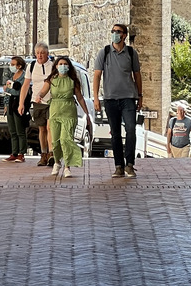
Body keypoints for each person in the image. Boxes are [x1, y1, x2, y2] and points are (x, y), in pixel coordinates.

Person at [92, 23, 142, 179]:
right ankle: (118, 166)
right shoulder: (104, 52)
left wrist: (140, 96)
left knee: (131, 130)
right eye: (113, 31)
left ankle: (130, 164)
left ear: (124, 35)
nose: (115, 34)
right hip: (110, 99)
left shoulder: (132, 53)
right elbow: (97, 75)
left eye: (118, 32)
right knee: (114, 133)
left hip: (128, 97)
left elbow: (137, 75)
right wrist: (96, 97)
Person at [39, 55, 90, 178]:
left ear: (69, 67)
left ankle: (67, 166)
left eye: (65, 64)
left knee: (66, 140)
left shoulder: (72, 81)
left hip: (69, 112)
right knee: (55, 141)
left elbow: (80, 98)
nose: (62, 66)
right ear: (56, 66)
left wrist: (87, 114)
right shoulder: (51, 80)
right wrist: (38, 96)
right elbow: (43, 91)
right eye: (60, 64)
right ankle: (57, 162)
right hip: (55, 112)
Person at [19, 41, 55, 166]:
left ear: (47, 54)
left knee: (50, 127)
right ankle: (43, 154)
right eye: (38, 53)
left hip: (52, 101)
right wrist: (21, 103)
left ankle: (51, 154)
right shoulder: (32, 66)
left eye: (42, 53)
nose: (40, 56)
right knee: (42, 129)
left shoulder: (53, 65)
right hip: (37, 102)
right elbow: (25, 85)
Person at [2, 56, 29, 162]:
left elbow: (20, 91)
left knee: (20, 130)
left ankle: (21, 153)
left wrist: (9, 89)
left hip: (18, 104)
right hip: (10, 105)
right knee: (12, 130)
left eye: (13, 64)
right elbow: (7, 93)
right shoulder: (12, 76)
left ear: (19, 66)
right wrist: (5, 105)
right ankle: (14, 153)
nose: (11, 66)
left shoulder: (24, 77)